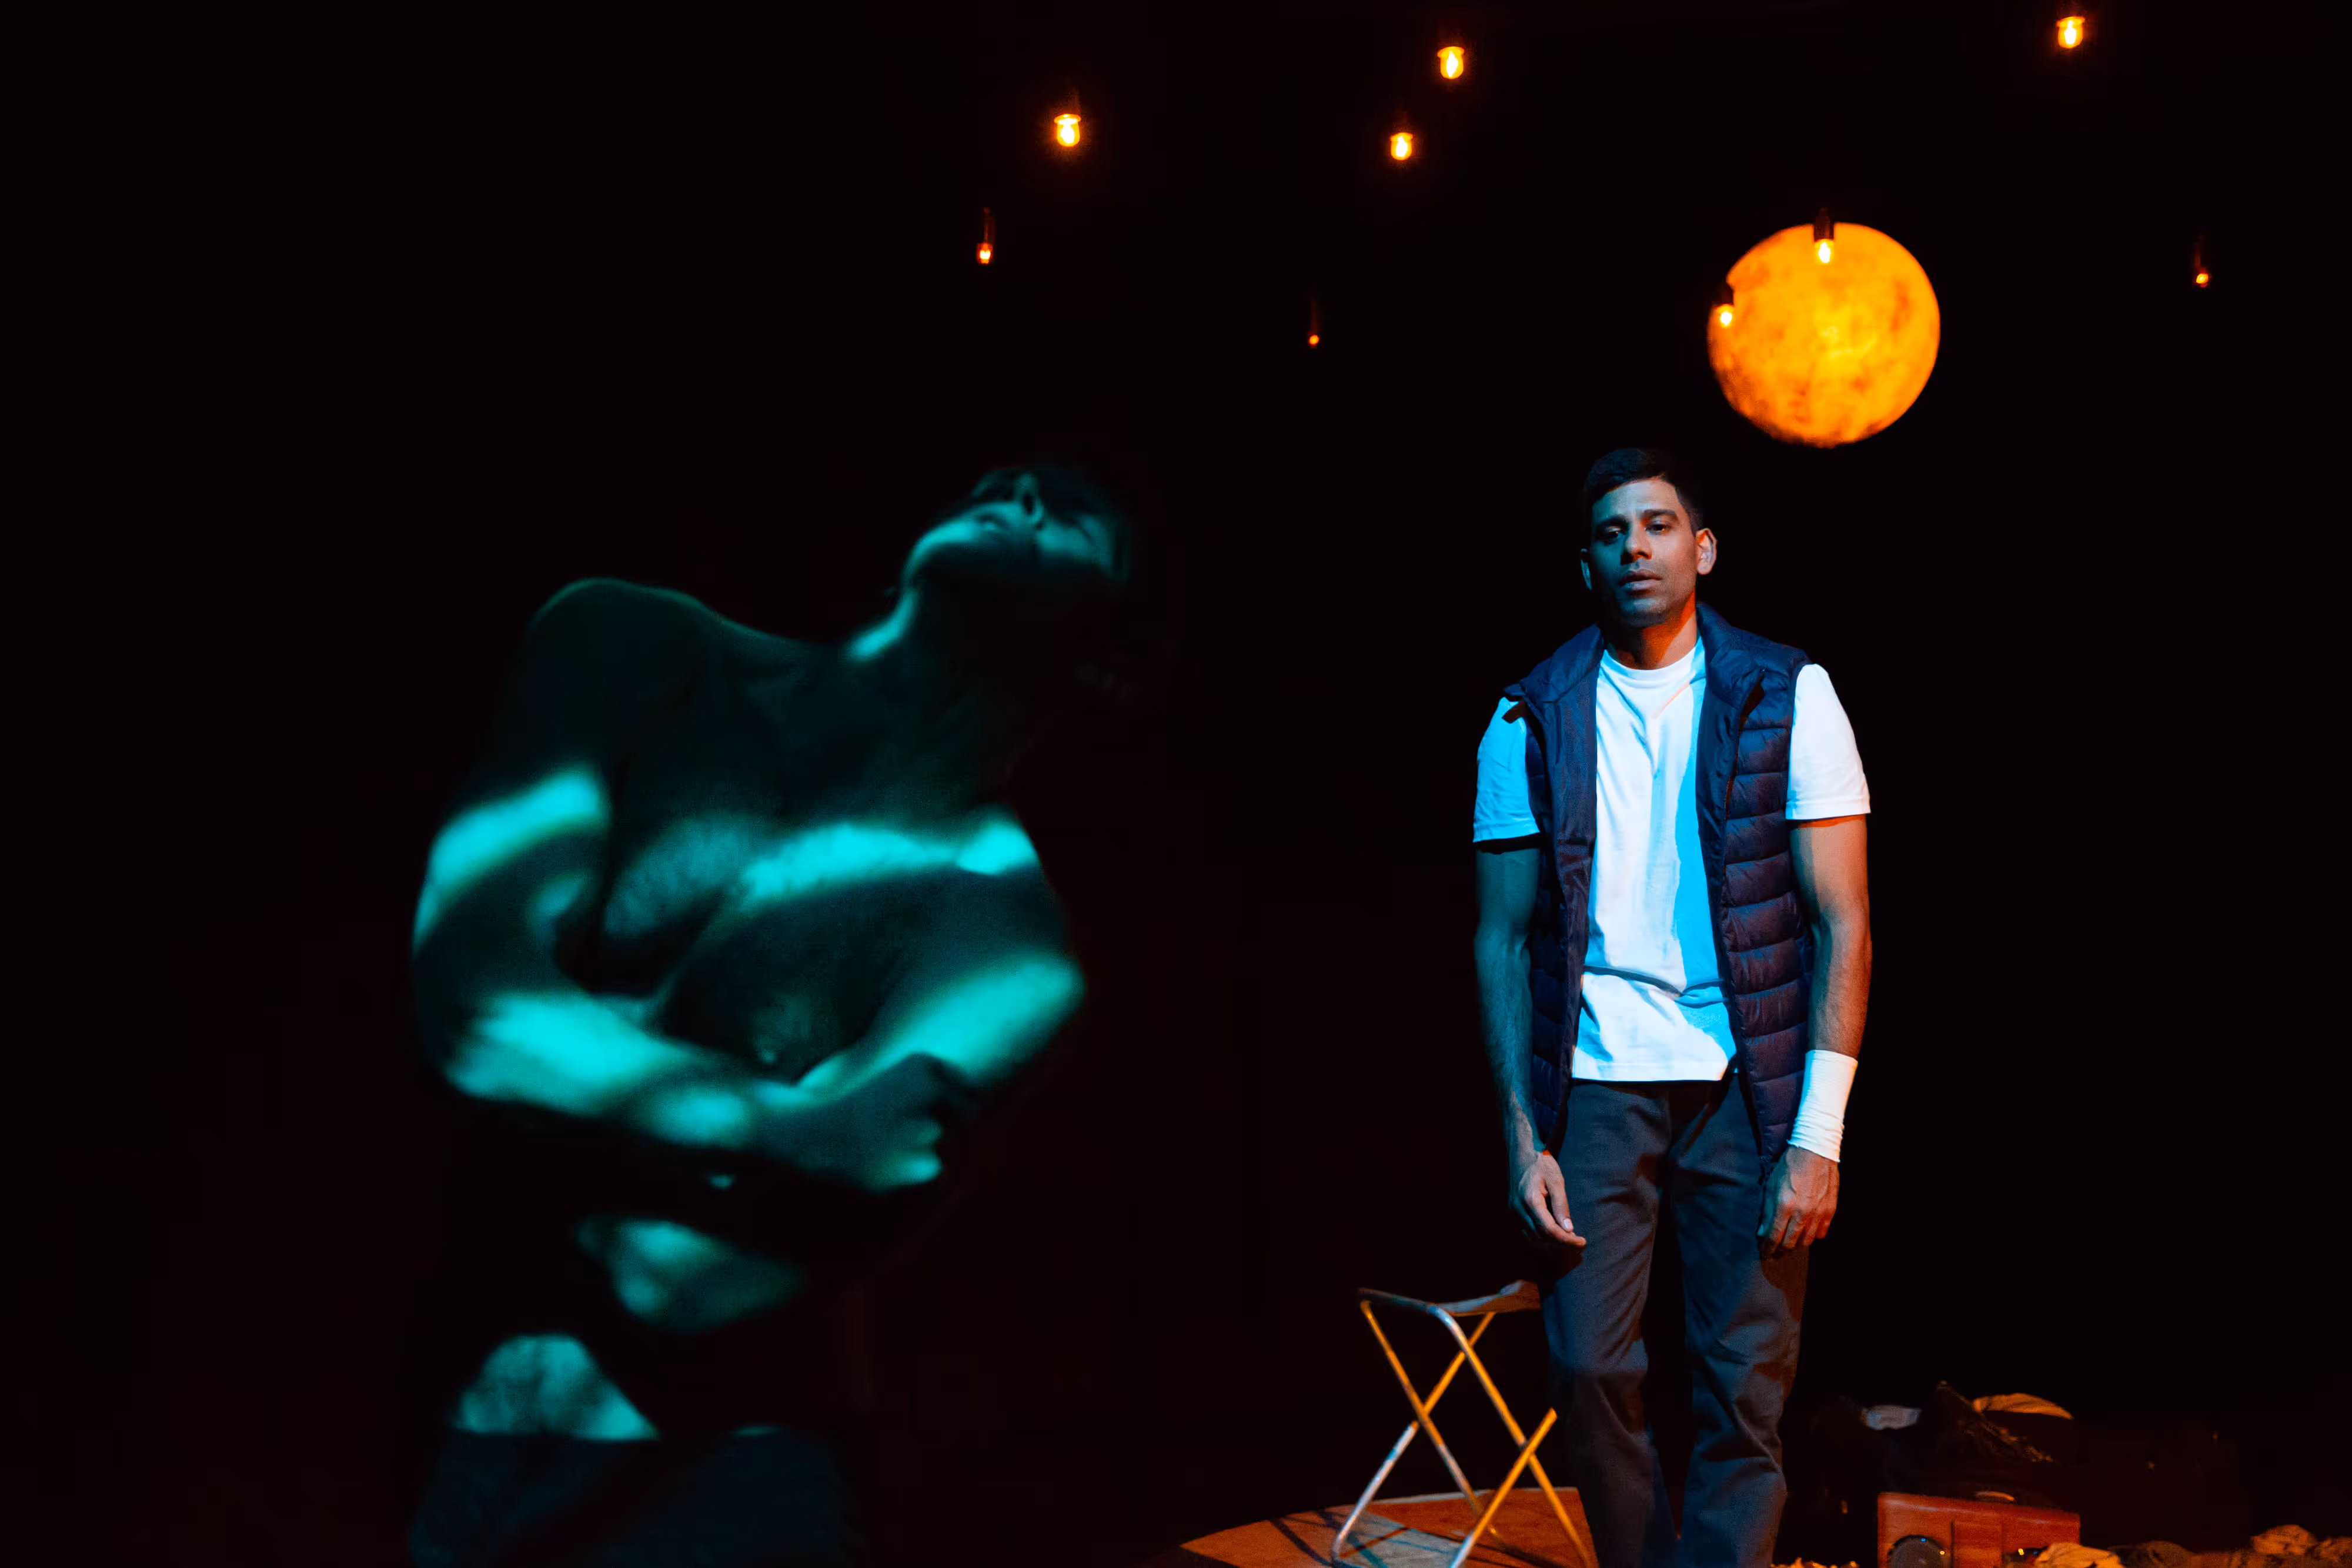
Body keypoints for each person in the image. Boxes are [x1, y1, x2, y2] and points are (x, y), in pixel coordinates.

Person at [404, 464, 1137, 1567]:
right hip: (469, 1445)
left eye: (1076, 518)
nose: (1024, 494)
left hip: (731, 1488)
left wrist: (540, 1081)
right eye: (1012, 479)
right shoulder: (626, 646)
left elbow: (675, 1282)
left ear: (1105, 663)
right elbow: (468, 1004)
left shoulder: (1005, 952)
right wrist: (804, 1132)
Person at [1471, 449, 1872, 1568]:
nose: (1634, 546)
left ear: (1701, 548)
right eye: (1610, 532)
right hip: (1595, 1085)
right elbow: (1499, 939)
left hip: (1748, 1088)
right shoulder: (1527, 716)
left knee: (1745, 1386)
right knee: (1592, 1371)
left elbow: (1843, 923)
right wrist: (1522, 1137)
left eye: (1657, 525)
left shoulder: (1789, 693)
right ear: (1586, 561)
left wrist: (1818, 1138)